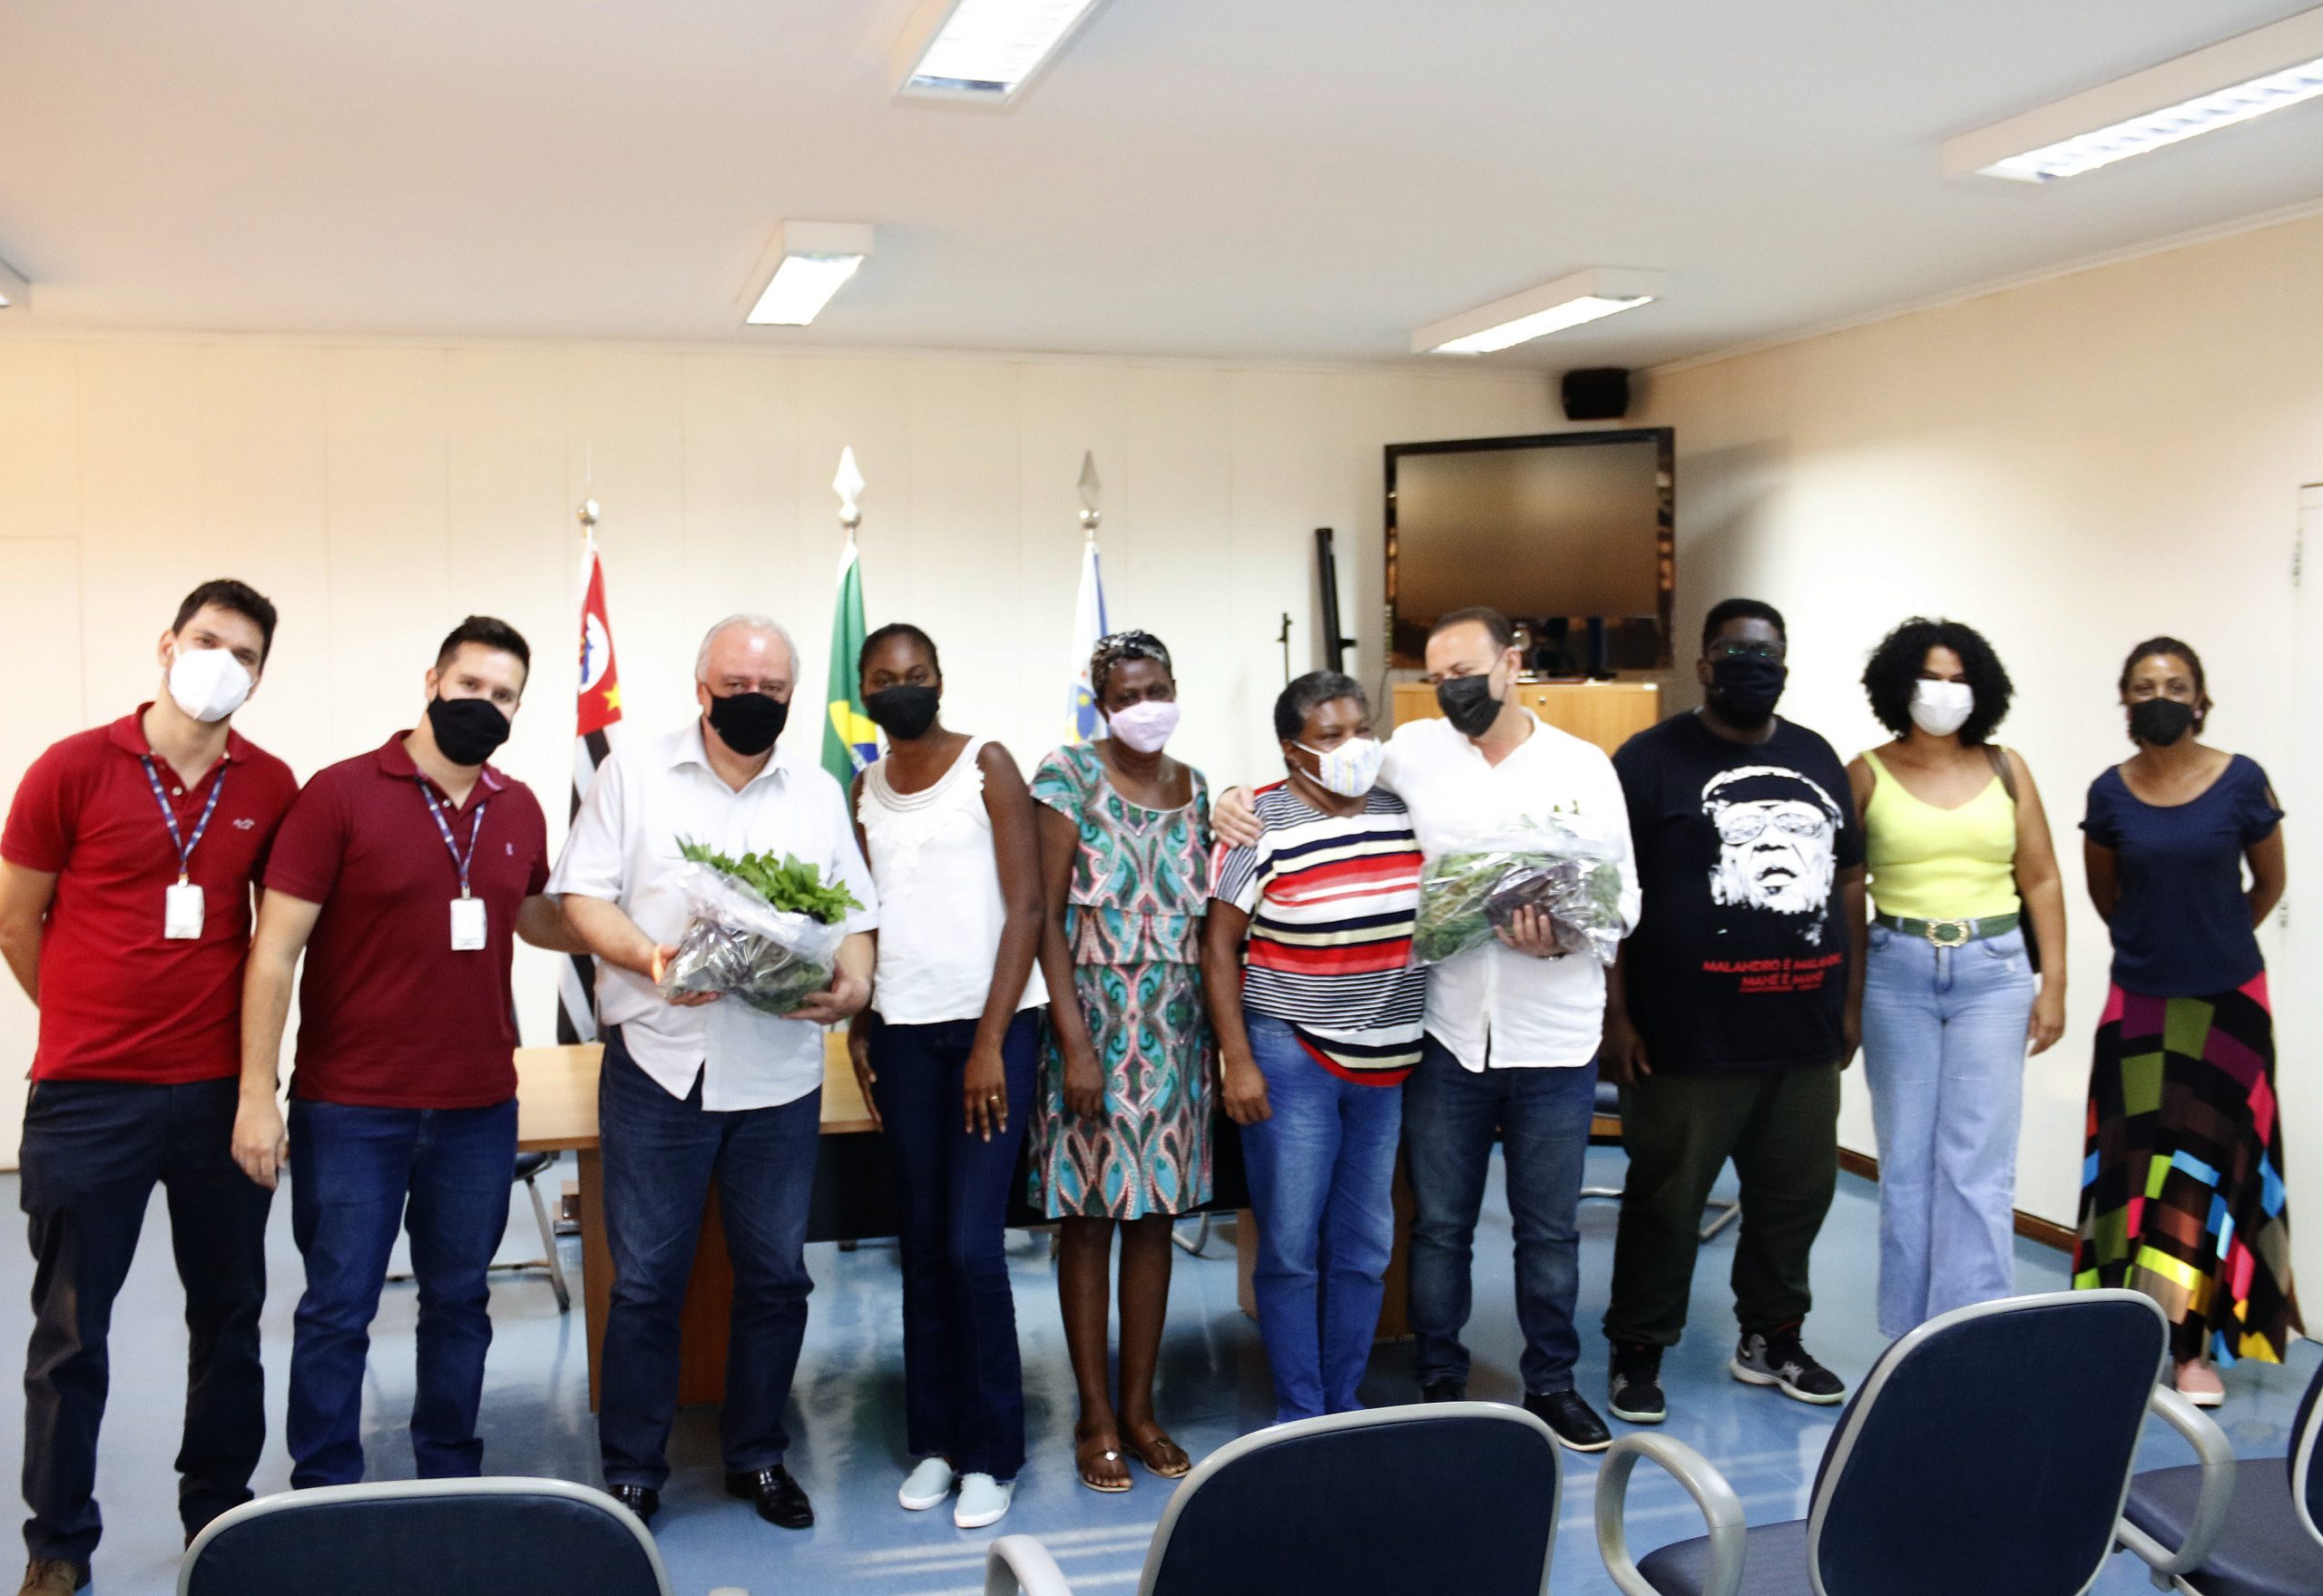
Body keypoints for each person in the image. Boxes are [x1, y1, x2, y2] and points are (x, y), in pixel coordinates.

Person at [1213, 606, 1639, 1452]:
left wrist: (1568, 931)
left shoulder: (1582, 766)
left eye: (1465, 673)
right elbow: (1283, 812)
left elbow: (1623, 896)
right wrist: (1230, 799)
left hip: (1533, 1036)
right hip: (1429, 1037)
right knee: (1426, 1227)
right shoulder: (1410, 754)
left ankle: (1546, 1382)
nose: (1451, 690)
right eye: (1437, 678)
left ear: (1513, 662)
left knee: (1537, 1230)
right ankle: (1418, 1379)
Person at [0, 581, 298, 1596]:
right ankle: (57, 1542)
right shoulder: (72, 768)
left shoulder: (271, 784)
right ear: (167, 644)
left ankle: (216, 1511)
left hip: (218, 1095)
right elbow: (15, 919)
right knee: (70, 1329)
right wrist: (83, 1021)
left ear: (260, 676)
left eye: (244, 654)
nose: (222, 663)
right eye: (208, 640)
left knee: (230, 1313)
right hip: (88, 1099)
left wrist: (258, 1088)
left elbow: (277, 939)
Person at [232, 616, 578, 1489]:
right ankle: (323, 1489)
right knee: (338, 1307)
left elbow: (533, 913)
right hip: (352, 1107)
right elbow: (273, 951)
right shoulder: (340, 794)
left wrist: (630, 927)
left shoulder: (518, 805)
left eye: (505, 696)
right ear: (432, 682)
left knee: (460, 1302)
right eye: (471, 686)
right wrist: (255, 1093)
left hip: (477, 1108)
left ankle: (449, 1474)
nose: (485, 704)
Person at [549, 613, 877, 1528]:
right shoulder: (633, 774)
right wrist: (652, 958)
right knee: (646, 1282)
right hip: (659, 1067)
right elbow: (581, 898)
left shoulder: (816, 791)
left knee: (776, 1277)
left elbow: (855, 916)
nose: (753, 700)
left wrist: (854, 986)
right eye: (736, 686)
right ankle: (633, 1470)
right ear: (702, 689)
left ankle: (757, 1454)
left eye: (772, 689)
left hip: (778, 1076)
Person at [1600, 598, 1866, 1426]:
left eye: (1767, 653)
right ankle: (1639, 1346)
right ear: (1704, 664)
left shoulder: (1816, 755)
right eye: (1735, 651)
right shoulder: (1648, 760)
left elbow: (1850, 884)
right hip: (1684, 1037)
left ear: (1785, 665)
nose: (1752, 666)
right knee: (1666, 1201)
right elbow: (1609, 896)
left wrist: (1851, 1001)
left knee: (1796, 1197)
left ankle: (1773, 1337)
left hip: (1801, 1031)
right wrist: (1616, 1017)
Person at [845, 623, 1047, 1530]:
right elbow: (866, 914)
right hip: (902, 1033)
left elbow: (1028, 906)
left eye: (916, 673)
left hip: (989, 1032)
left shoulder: (985, 765)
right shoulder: (863, 787)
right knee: (923, 1247)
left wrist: (988, 1041)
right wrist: (860, 1020)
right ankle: (936, 1440)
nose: (902, 686)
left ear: (939, 679)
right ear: (863, 691)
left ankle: (992, 1452)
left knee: (971, 1248)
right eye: (884, 677)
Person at [1201, 671, 1426, 1424]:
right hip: (1291, 1054)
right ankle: (1300, 1408)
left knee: (1365, 1244)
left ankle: (1343, 1398)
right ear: (1292, 749)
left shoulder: (1403, 811)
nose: (1353, 746)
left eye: (1362, 729)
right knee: (1292, 1243)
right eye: (1331, 735)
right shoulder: (1258, 822)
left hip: (1386, 1063)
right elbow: (1218, 946)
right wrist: (1237, 1058)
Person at [2077, 636, 2295, 1405]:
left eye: (2175, 685)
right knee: (2134, 1168)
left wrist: (2212, 941)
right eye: (2144, 686)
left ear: (2200, 700)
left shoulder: (2242, 781)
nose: (2160, 697)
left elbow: (2267, 884)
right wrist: (2159, 946)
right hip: (2138, 1002)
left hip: (2229, 1005)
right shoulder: (2109, 793)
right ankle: (2124, 1330)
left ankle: (2192, 1348)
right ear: (2125, 700)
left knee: (2205, 1167)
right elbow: (2108, 897)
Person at [1027, 631, 1213, 1493]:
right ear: (1101, 704)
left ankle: (1140, 1411)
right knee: (1089, 1220)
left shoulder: (1197, 786)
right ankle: (1094, 1415)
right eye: (1128, 695)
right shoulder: (1066, 774)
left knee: (1155, 1219)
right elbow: (1042, 915)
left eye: (1158, 689)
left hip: (1174, 1035)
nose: (1146, 706)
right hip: (1092, 1034)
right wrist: (1075, 1044)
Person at [1848, 619, 2067, 1338]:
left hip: (1994, 973)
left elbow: (2041, 877)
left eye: (1958, 679)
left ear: (1982, 689)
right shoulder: (1866, 772)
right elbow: (1845, 889)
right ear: (1898, 684)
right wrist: (1847, 996)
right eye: (1930, 678)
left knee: (1979, 1162)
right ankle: (1908, 1337)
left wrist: (2055, 984)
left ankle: (1973, 1333)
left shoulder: (2007, 768)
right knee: (1906, 1160)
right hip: (1897, 971)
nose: (1943, 692)